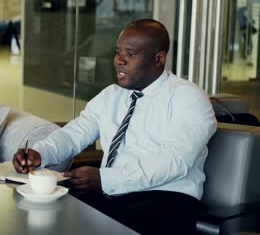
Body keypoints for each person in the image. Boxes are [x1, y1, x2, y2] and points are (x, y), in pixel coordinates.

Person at [13, 19, 217, 234]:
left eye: (130, 54)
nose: (119, 60)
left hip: (167, 197)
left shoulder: (188, 97)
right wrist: (40, 153)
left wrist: (106, 179)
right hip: (111, 193)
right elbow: (75, 134)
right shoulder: (111, 95)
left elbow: (175, 161)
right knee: (43, 212)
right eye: (118, 52)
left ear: (159, 58)